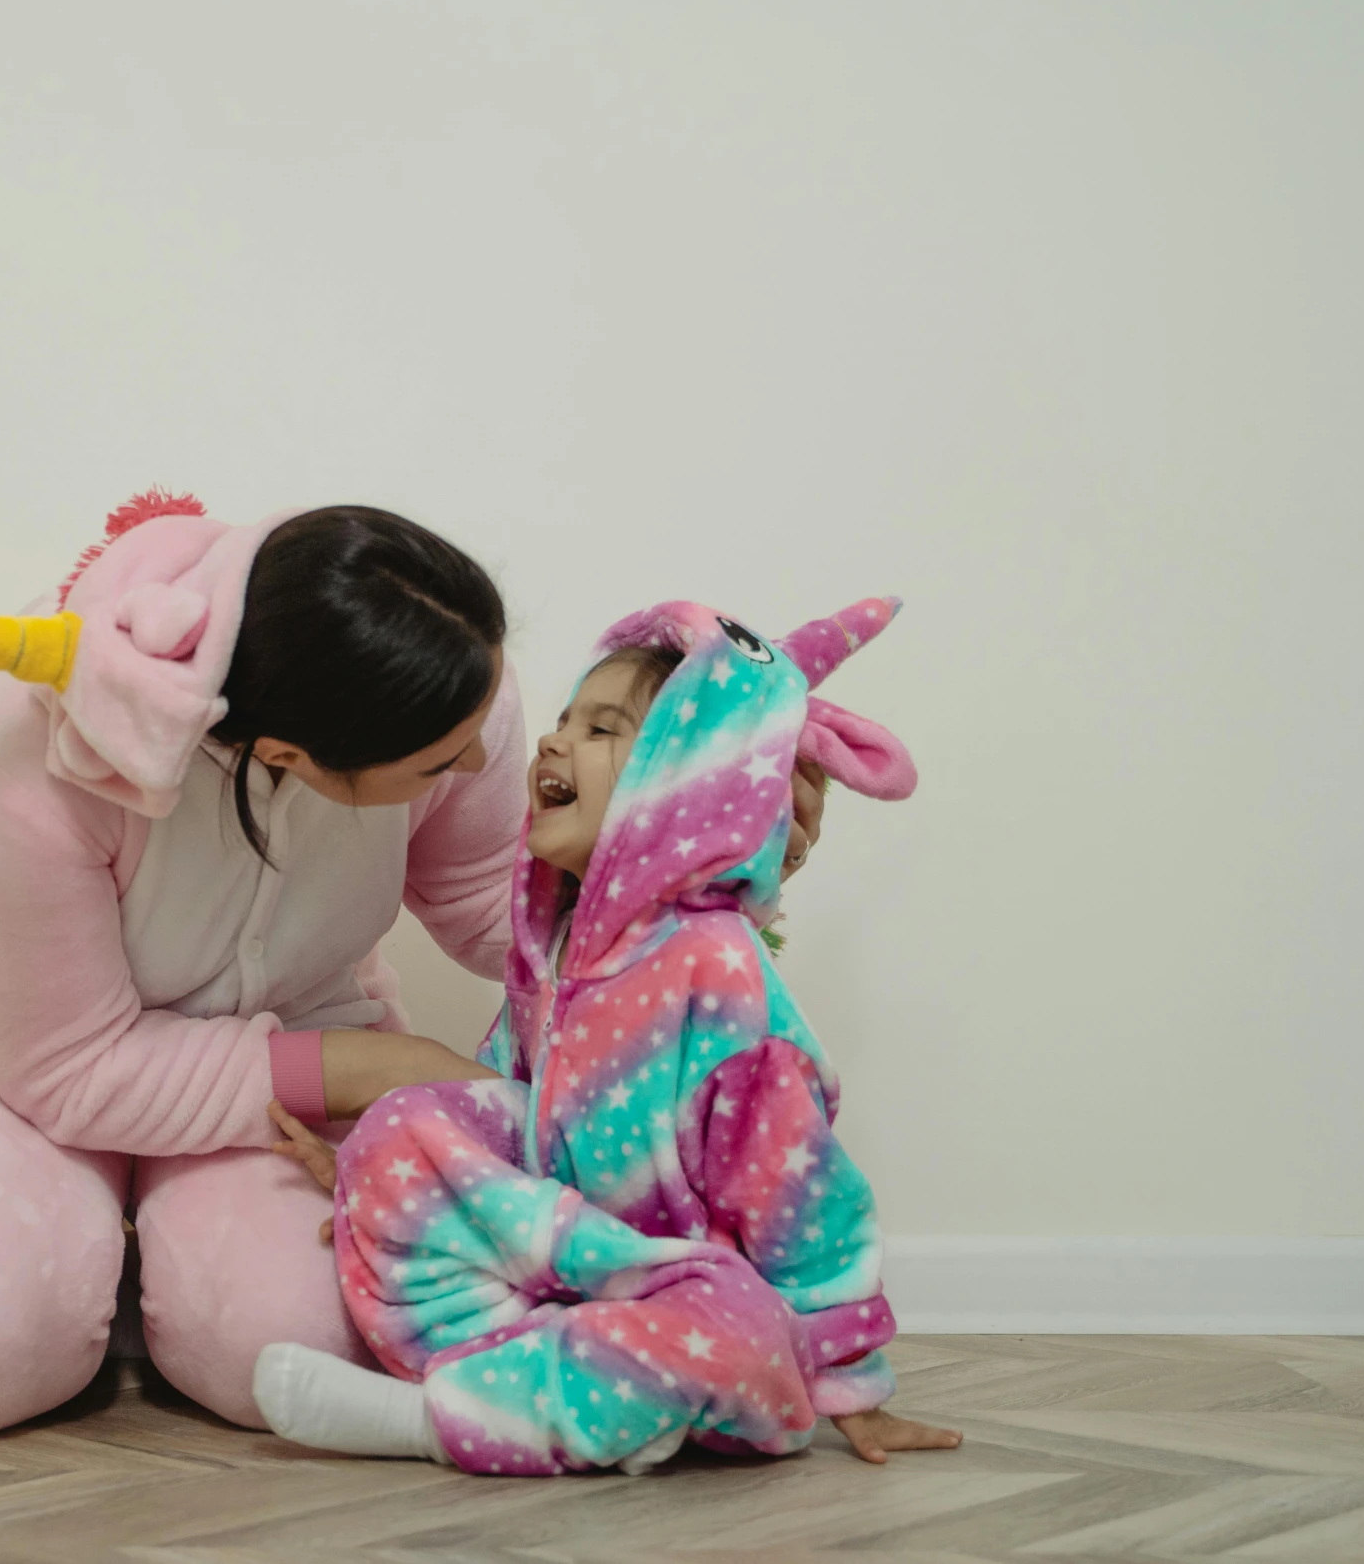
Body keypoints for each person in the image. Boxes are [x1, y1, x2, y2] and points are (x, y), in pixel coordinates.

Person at [0, 493, 829, 1432]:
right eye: (438, 766)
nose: (478, 769)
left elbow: (491, 906)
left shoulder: (449, 685)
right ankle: (30, 1228)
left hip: (284, 1041)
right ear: (289, 759)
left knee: (307, 1344)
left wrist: (691, 852)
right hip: (7, 1054)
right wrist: (383, 1067)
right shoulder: (24, 735)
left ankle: (126, 1250)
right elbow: (71, 1068)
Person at [254, 597, 963, 1473]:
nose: (551, 743)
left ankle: (441, 1419)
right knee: (400, 1123)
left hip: (682, 1284)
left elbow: (802, 1193)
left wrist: (852, 1382)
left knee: (739, 1339)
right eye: (561, 720)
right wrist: (376, 1168)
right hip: (565, 1263)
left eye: (599, 729)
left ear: (684, 781)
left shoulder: (719, 972)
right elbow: (501, 1098)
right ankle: (567, 1385)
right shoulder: (557, 949)